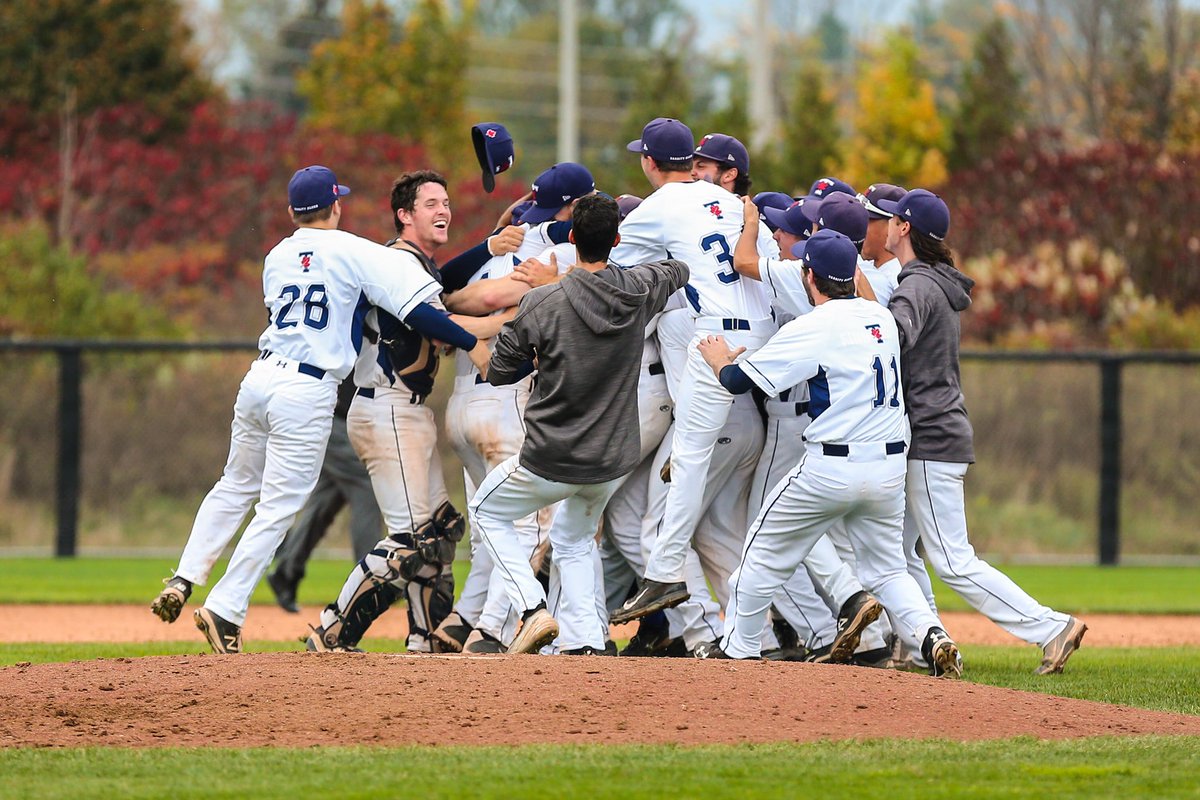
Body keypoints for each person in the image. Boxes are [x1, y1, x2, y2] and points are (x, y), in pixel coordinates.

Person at [150, 164, 486, 654]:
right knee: (279, 505)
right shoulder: (354, 250)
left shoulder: (276, 255)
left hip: (260, 376)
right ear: (337, 206)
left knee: (235, 484)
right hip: (306, 387)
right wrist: (472, 342)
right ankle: (225, 608)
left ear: (292, 211)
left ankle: (184, 577)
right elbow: (417, 310)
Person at [692, 228, 963, 677]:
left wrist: (718, 357)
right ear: (853, 274)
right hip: (888, 468)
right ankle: (933, 634)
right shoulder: (880, 318)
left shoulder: (813, 325)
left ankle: (739, 648)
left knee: (758, 556)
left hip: (832, 467)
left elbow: (738, 382)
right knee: (888, 571)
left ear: (809, 276)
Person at [470, 194, 689, 654]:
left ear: (571, 238)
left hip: (552, 455)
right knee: (572, 538)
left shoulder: (542, 301)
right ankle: (586, 641)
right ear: (617, 240)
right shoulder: (638, 289)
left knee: (487, 512)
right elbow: (677, 269)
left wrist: (540, 348)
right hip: (611, 458)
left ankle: (531, 610)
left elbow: (500, 371)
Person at [880, 188, 1087, 675]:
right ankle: (919, 642)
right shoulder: (932, 281)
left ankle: (1052, 627)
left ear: (904, 228)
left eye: (891, 219)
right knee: (896, 551)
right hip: (937, 431)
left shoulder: (917, 285)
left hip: (929, 435)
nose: (885, 225)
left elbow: (887, 341)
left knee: (952, 560)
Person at [303, 170, 504, 654]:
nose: (443, 210)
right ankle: (333, 631)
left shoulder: (413, 264)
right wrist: (495, 325)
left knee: (440, 532)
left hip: (404, 412)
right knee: (414, 540)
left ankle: (426, 642)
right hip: (386, 406)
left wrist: (488, 247)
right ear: (404, 215)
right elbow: (433, 318)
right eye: (430, 204)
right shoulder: (394, 261)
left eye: (446, 202)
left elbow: (440, 282)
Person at [608, 117, 777, 624]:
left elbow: (613, 271)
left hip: (716, 339)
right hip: (767, 335)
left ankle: (664, 575)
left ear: (649, 162)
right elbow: (766, 264)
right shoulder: (734, 204)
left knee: (690, 456)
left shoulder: (657, 207)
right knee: (706, 461)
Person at [433, 163, 595, 654]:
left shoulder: (499, 243)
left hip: (462, 404)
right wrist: (502, 317)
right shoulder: (554, 246)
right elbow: (502, 294)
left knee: (490, 526)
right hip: (506, 399)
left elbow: (459, 290)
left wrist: (456, 309)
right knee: (530, 526)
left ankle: (461, 622)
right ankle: (491, 633)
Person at [265, 377, 383, 613]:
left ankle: (286, 572)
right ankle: (370, 582)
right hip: (335, 420)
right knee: (367, 487)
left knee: (326, 500)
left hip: (341, 422)